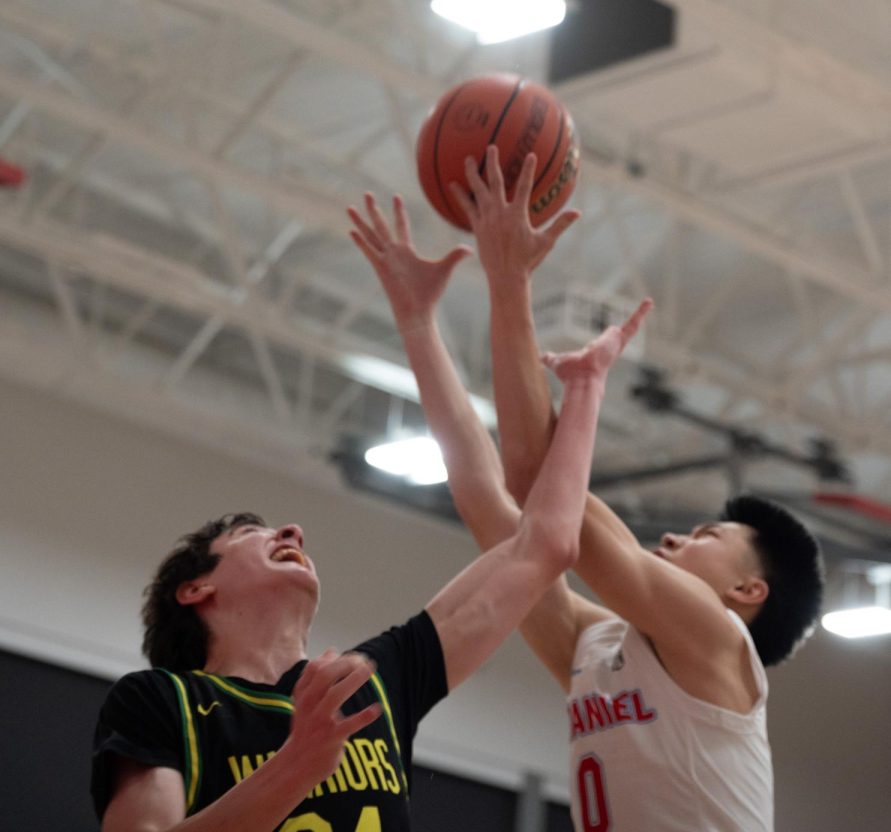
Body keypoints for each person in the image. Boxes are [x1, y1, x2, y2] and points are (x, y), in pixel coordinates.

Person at [91, 196, 627, 832]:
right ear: (195, 587)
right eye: (251, 533)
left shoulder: (371, 682)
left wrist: (433, 325)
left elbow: (542, 546)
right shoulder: (162, 700)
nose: (291, 531)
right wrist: (298, 764)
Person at [354, 146, 824, 832]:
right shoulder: (597, 647)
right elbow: (495, 498)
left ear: (747, 593)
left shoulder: (719, 642)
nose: (672, 536)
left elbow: (535, 484)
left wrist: (509, 280)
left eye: (705, 537)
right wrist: (419, 326)